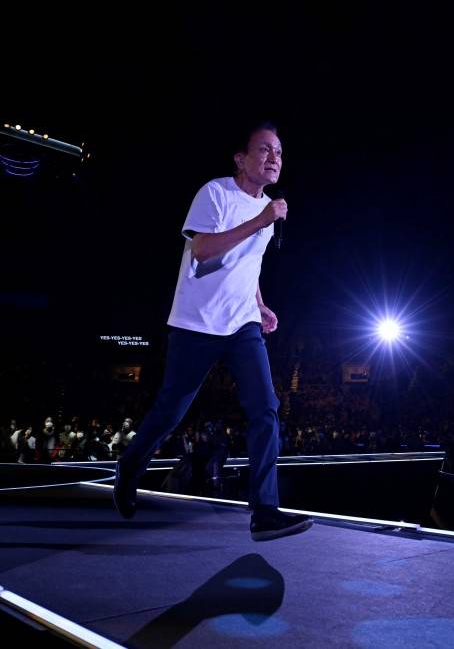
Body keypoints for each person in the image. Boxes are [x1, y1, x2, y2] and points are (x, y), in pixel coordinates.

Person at [113, 121, 313, 541]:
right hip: (197, 323)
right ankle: (129, 466)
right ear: (240, 158)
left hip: (242, 322)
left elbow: (248, 265)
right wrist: (260, 220)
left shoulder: (268, 209)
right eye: (264, 149)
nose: (274, 157)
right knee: (171, 412)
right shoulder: (216, 193)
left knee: (266, 408)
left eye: (279, 151)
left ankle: (264, 511)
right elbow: (202, 250)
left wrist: (260, 304)